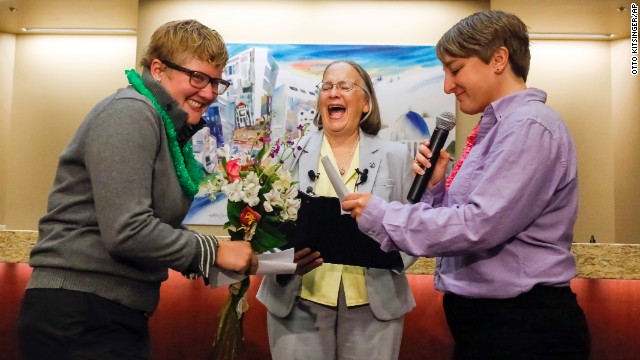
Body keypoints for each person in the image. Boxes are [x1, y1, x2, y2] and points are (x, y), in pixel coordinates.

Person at [343, 11, 591, 360]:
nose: (447, 85)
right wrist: (436, 189)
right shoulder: (500, 127)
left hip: (524, 328)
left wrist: (384, 214)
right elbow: (468, 221)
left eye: (455, 69)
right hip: (493, 326)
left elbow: (479, 225)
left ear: (499, 59)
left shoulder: (529, 126)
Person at [16, 19, 259, 360]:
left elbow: (145, 226)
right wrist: (212, 251)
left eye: (217, 82)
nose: (209, 93)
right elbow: (127, 230)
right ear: (157, 69)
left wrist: (212, 258)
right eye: (198, 78)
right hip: (78, 314)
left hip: (105, 314)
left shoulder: (162, 125)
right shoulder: (131, 112)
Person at [257, 60, 417, 360]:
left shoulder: (396, 156)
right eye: (327, 86)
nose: (334, 93)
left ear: (366, 103)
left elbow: (414, 222)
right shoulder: (287, 153)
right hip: (298, 299)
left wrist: (392, 260)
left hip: (374, 304)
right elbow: (262, 225)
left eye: (345, 87)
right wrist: (279, 261)